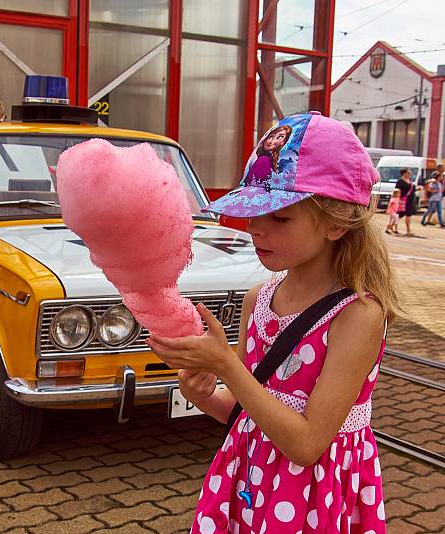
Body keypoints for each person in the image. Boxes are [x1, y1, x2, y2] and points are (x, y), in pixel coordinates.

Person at [148, 112, 397, 533]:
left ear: (337, 223)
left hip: (313, 497)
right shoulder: (258, 301)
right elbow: (248, 410)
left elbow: (306, 444)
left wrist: (226, 365)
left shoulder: (358, 315)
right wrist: (205, 395)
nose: (255, 229)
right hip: (251, 483)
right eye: (252, 212)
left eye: (279, 218)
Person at [394, 168, 416, 236]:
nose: (410, 174)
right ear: (404, 173)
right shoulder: (400, 181)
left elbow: (412, 189)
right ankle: (393, 227)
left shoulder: (410, 181)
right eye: (408, 173)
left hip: (410, 200)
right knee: (400, 214)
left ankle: (408, 230)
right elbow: (397, 191)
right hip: (402, 200)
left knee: (408, 214)